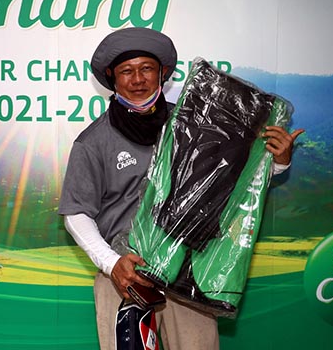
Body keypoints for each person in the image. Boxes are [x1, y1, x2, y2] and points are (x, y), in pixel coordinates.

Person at [58, 27, 304, 350]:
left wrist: (279, 161)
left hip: (191, 272)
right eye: (126, 71)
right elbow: (76, 213)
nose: (138, 79)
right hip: (126, 274)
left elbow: (232, 183)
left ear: (162, 73)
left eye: (146, 68)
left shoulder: (197, 121)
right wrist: (111, 263)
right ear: (111, 78)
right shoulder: (93, 141)